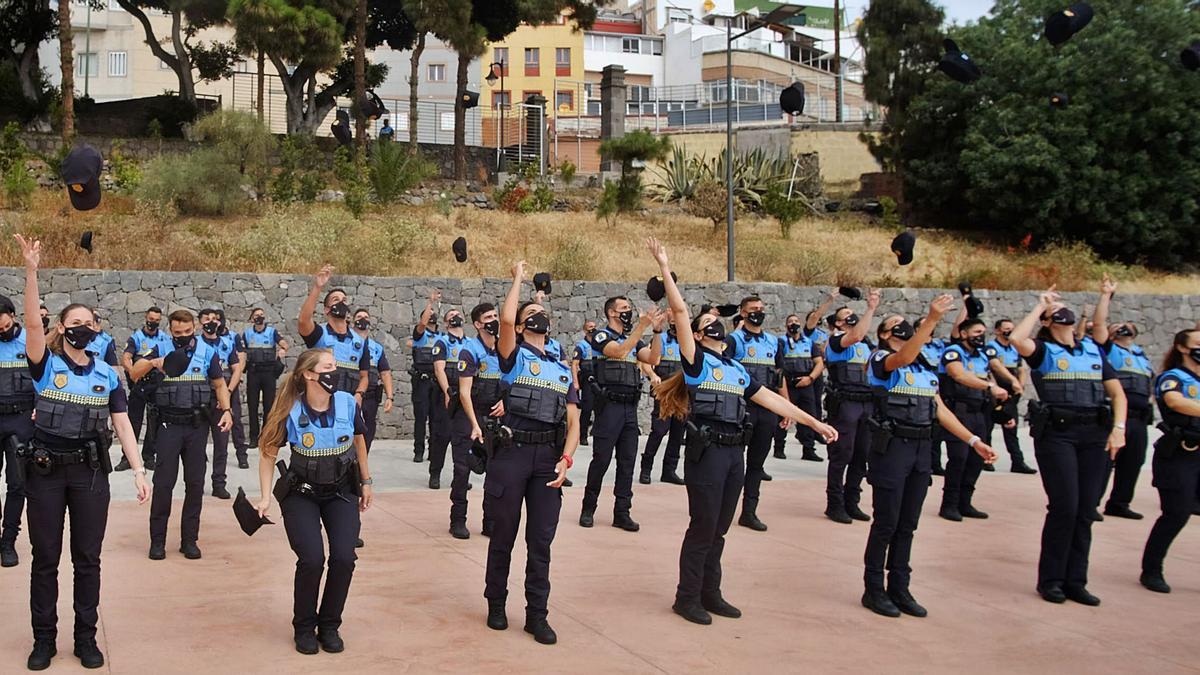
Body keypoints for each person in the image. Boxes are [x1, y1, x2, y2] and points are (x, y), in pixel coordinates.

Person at [643, 238, 837, 625]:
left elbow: (771, 399)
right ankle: (687, 597)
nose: (713, 322)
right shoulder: (697, 363)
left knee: (719, 530)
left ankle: (710, 593)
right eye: (706, 323)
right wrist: (665, 268)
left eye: (716, 320)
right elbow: (681, 312)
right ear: (697, 336)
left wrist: (813, 422)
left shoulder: (736, 368)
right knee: (702, 527)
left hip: (735, 454)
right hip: (708, 453)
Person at [14, 234, 151, 671]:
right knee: (46, 558)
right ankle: (44, 640)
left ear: (97, 329)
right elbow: (33, 327)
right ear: (60, 328)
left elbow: (123, 424)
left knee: (88, 559)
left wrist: (139, 469)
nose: (81, 326)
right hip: (46, 471)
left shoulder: (108, 375)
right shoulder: (45, 363)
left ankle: (86, 638)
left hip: (91, 475)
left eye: (88, 322)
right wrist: (32, 271)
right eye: (72, 321)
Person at [861, 301, 998, 618]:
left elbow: (940, 410)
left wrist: (973, 440)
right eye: (894, 323)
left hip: (922, 450)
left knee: (908, 524)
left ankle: (900, 587)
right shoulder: (881, 360)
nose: (902, 325)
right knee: (887, 523)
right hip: (893, 448)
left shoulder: (923, 368)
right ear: (883, 334)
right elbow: (903, 355)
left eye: (903, 321)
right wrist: (933, 319)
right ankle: (873, 589)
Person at [1010, 287, 1126, 605]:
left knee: (1087, 510)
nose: (1063, 311)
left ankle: (1076, 580)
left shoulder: (1091, 349)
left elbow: (1117, 394)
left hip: (1094, 435)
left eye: (1064, 307)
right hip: (1058, 435)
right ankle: (1051, 580)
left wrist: (1118, 429)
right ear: (1047, 322)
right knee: (1065, 507)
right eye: (1056, 311)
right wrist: (1039, 307)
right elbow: (1017, 340)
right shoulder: (1043, 350)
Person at [485, 260, 579, 646]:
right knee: (503, 535)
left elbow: (574, 422)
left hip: (547, 460)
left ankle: (536, 615)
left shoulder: (560, 370)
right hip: (511, 454)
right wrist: (519, 279)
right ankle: (495, 604)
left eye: (542, 313)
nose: (539, 317)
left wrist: (567, 459)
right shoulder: (514, 355)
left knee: (540, 541)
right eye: (531, 315)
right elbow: (505, 322)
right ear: (523, 327)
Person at [255, 348, 372, 655]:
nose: (336, 372)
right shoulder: (290, 407)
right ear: (308, 374)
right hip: (301, 494)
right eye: (328, 367)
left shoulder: (348, 403)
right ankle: (304, 627)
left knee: (344, 558)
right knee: (311, 560)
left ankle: (330, 625)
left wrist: (367, 480)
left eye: (335, 366)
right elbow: (267, 451)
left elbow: (359, 440)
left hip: (341, 492)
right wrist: (266, 496)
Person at [134, 309, 233, 561]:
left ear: (194, 329)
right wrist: (155, 363)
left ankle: (189, 540)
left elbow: (219, 384)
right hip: (168, 427)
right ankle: (157, 542)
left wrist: (227, 411)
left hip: (197, 428)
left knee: (195, 485)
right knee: (164, 484)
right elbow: (135, 372)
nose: (182, 336)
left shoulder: (207, 352)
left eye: (187, 332)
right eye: (177, 332)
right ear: (170, 330)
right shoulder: (159, 347)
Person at [580, 295, 663, 532]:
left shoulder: (633, 339)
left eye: (629, 307)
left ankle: (622, 512)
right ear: (611, 313)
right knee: (602, 460)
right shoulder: (601, 336)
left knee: (627, 462)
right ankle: (589, 507)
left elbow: (654, 358)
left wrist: (656, 332)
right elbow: (618, 352)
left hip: (629, 409)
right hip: (609, 409)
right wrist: (642, 326)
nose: (628, 311)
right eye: (624, 308)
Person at [1139, 329, 1200, 594]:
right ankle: (1151, 570)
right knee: (1176, 514)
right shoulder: (1172, 377)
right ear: (1182, 348)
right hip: (1181, 454)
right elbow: (1175, 402)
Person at [937, 317, 1010, 521]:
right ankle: (949, 504)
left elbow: (990, 377)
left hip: (980, 412)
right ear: (963, 334)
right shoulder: (953, 352)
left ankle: (965, 502)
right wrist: (989, 386)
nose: (981, 336)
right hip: (959, 412)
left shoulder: (982, 355)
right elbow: (959, 375)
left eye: (982, 332)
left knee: (976, 460)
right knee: (959, 458)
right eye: (976, 332)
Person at [1092, 276, 1153, 520]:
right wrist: (1106, 296)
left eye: (1129, 325)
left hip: (1139, 418)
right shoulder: (1108, 349)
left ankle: (1119, 502)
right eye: (1120, 325)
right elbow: (1099, 325)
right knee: (1105, 460)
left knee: (1133, 462)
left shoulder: (1141, 355)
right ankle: (1092, 502)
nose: (1125, 327)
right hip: (1114, 413)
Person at [725, 296, 784, 531]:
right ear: (742, 312)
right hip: (742, 408)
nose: (758, 312)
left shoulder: (773, 341)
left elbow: (779, 377)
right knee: (734, 462)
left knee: (757, 464)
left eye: (761, 308)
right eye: (753, 309)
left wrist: (784, 405)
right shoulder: (734, 340)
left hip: (768, 409)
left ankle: (749, 512)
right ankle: (725, 505)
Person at [823, 292, 882, 524]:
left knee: (861, 455)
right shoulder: (838, 341)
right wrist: (871, 308)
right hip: (846, 403)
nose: (851, 316)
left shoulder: (868, 345)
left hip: (866, 403)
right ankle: (834, 504)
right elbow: (856, 335)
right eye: (845, 315)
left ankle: (852, 502)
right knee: (842, 455)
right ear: (838, 323)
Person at [454, 303, 503, 539]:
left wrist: (505, 404)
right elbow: (464, 393)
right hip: (469, 415)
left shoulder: (505, 349)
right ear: (477, 324)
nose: (493, 320)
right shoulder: (470, 350)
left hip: (495, 418)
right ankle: (458, 520)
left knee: (495, 471)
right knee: (463, 469)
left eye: (495, 315)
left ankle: (490, 521)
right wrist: (475, 424)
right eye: (488, 317)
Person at [297, 265, 370, 401]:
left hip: (349, 403)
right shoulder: (320, 334)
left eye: (344, 300)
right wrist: (318, 288)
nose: (341, 303)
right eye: (336, 300)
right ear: (326, 310)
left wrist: (359, 395)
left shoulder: (359, 341)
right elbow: (303, 321)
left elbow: (364, 376)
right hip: (321, 402)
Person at [0, 295, 35, 568]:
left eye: (3, 325)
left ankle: (8, 541)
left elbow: (46, 381)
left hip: (22, 420)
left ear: (12, 315)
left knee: (18, 484)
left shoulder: (30, 343)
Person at [116, 306, 172, 473]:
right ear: (145, 317)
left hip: (157, 384)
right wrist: (134, 372)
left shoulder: (164, 339)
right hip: (140, 384)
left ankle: (149, 456)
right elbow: (126, 358)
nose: (153, 322)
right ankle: (127, 458)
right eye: (151, 319)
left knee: (154, 421)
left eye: (157, 320)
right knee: (133, 421)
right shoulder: (136, 338)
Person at [199, 308, 245, 497]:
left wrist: (227, 391)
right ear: (199, 324)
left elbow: (237, 369)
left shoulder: (227, 343)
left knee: (221, 443)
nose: (212, 322)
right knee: (197, 444)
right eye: (207, 319)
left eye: (215, 319)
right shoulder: (195, 344)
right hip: (201, 397)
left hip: (223, 397)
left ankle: (219, 483)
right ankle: (195, 483)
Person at [987, 318, 1038, 474]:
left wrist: (1019, 386)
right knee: (987, 427)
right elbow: (995, 365)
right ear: (997, 331)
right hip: (995, 391)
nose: (1009, 331)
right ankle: (985, 460)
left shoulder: (1014, 348)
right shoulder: (991, 347)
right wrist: (1012, 381)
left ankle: (1018, 462)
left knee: (1011, 427)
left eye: (1011, 328)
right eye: (1006, 328)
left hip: (1012, 392)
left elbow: (1021, 368)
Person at [775, 313, 825, 463]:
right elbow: (778, 366)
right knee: (783, 414)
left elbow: (819, 363)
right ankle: (779, 448)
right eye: (790, 321)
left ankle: (808, 449)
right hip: (788, 384)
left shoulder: (809, 343)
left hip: (805, 383)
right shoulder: (781, 342)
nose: (794, 324)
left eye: (796, 321)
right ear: (786, 326)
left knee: (809, 415)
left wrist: (810, 378)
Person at [641, 316, 685, 485]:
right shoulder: (661, 339)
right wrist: (653, 375)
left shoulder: (688, 342)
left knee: (677, 433)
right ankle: (646, 468)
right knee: (659, 431)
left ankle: (669, 471)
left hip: (683, 394)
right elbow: (646, 362)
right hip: (665, 394)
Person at [430, 308, 468, 489]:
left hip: (467, 394)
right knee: (442, 435)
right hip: (448, 393)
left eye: (458, 314)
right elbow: (439, 369)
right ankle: (435, 473)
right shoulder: (442, 342)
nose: (456, 317)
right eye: (451, 315)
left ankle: (460, 477)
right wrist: (447, 392)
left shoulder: (471, 344)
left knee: (464, 438)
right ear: (446, 323)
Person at [242, 307, 289, 447]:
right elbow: (242, 350)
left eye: (262, 315)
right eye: (256, 315)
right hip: (253, 373)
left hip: (269, 373)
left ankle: (266, 436)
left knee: (269, 406)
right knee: (252, 406)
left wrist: (282, 351)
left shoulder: (271, 332)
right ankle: (253, 438)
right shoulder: (247, 333)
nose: (259, 317)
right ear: (252, 319)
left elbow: (284, 344)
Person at [351, 309, 393, 451]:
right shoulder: (347, 343)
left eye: (366, 317)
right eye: (359, 317)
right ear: (352, 322)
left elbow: (385, 372)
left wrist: (390, 397)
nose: (363, 319)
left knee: (367, 432)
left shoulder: (376, 348)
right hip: (350, 394)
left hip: (370, 397)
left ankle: (361, 468)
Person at [409, 290, 442, 463]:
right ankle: (418, 450)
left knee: (436, 419)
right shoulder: (420, 335)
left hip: (437, 382)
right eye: (429, 314)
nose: (431, 316)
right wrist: (430, 302)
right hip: (421, 381)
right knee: (421, 418)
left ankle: (433, 451)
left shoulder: (442, 338)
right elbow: (422, 323)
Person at [915, 318, 947, 475]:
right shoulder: (913, 347)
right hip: (919, 393)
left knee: (937, 431)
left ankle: (935, 463)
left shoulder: (939, 345)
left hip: (936, 388)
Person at [571, 321, 597, 446]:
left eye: (594, 327)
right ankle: (582, 435)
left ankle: (597, 433)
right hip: (587, 381)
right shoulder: (581, 346)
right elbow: (575, 364)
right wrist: (575, 382)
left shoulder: (600, 344)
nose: (593, 329)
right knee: (587, 409)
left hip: (599, 379)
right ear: (585, 331)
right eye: (590, 327)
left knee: (601, 409)